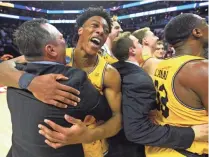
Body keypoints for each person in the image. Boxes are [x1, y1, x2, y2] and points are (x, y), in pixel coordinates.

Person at [0, 7, 122, 157]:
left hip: (93, 149)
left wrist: (88, 135)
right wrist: (32, 82)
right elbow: (4, 68)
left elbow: (117, 119)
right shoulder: (58, 53)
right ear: (80, 30)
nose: (101, 31)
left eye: (106, 30)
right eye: (95, 25)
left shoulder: (109, 73)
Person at [111, 31, 208, 157]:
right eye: (138, 43)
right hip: (142, 148)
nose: (142, 46)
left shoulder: (115, 69)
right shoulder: (140, 78)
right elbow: (136, 131)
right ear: (132, 50)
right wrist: (192, 133)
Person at [135, 13, 208, 157]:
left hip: (160, 149)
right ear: (197, 32)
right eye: (206, 24)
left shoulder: (160, 65)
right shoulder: (201, 69)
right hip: (190, 150)